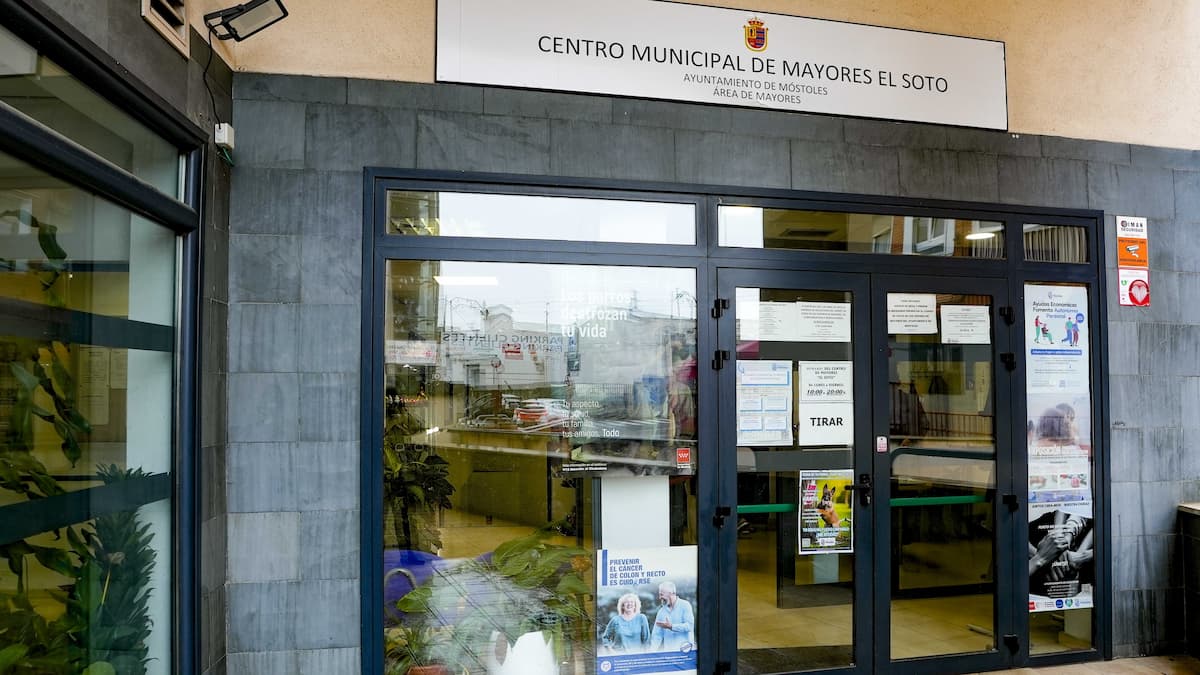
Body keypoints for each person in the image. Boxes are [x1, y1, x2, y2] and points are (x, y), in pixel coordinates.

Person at [649, 581, 694, 652]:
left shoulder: (685, 605)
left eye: (661, 594)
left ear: (670, 593)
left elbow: (689, 626)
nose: (660, 597)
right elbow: (656, 635)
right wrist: (651, 652)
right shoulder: (661, 611)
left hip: (685, 653)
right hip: (669, 654)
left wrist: (671, 626)